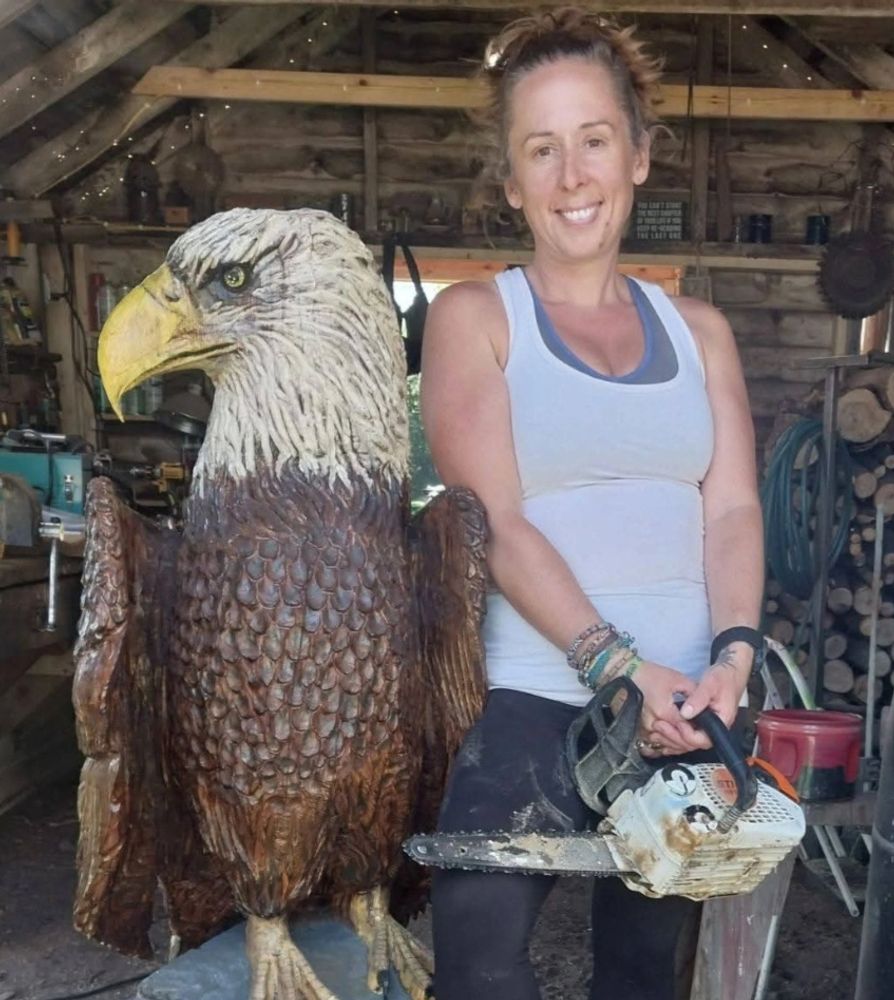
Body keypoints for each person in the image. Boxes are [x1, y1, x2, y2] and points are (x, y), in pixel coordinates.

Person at [419, 8, 765, 1000]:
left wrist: (730, 662)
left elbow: (735, 509)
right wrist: (616, 667)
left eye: (594, 141)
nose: (572, 177)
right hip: (539, 695)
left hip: (688, 709)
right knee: (478, 958)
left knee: (644, 973)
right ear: (512, 179)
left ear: (640, 157)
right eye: (543, 150)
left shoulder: (701, 331)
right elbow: (495, 518)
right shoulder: (477, 318)